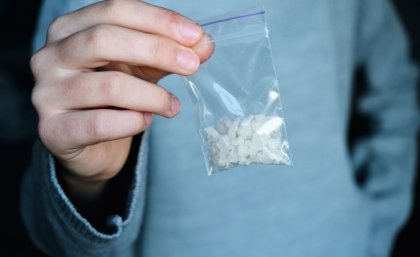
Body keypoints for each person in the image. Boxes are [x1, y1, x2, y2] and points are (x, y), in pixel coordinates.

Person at [21, 0, 418, 256]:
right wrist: (85, 184)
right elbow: (51, 234)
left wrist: (380, 221)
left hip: (342, 243)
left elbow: (395, 86)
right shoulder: (86, 14)